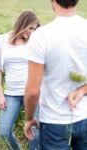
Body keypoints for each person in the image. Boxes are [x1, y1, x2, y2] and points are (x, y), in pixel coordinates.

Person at [24, 0, 87, 150]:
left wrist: (29, 118)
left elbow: (33, 90)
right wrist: (83, 90)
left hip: (54, 122)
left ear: (52, 1)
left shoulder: (41, 35)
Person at [0, 10, 40, 150]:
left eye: (35, 28)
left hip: (32, 93)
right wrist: (0, 94)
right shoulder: (1, 40)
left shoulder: (35, 42)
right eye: (30, 28)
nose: (32, 32)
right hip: (11, 94)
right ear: (22, 24)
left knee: (36, 132)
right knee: (4, 132)